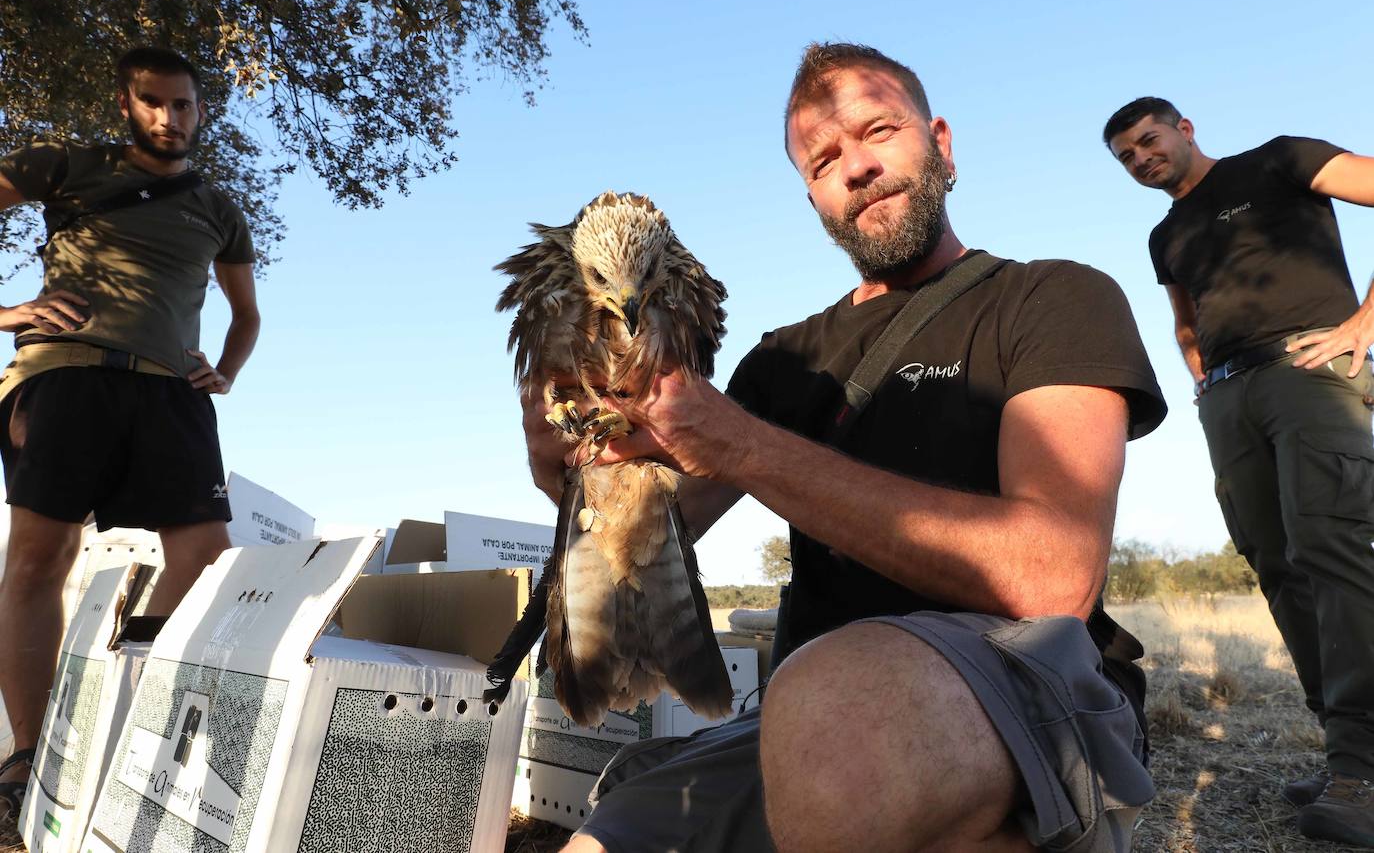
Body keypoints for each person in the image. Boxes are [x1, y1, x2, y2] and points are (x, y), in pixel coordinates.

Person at [521, 42, 1167, 853]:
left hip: (1021, 685)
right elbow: (650, 530)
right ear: (813, 198)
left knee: (836, 720)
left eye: (879, 131)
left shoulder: (1053, 298)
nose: (855, 167)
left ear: (942, 143)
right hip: (803, 717)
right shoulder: (780, 364)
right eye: (824, 160)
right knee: (606, 839)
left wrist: (745, 446)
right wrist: (575, 467)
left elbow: (1053, 578)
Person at [1104, 97, 1374, 847]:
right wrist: (1201, 383)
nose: (1141, 159)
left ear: (1184, 129)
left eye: (1148, 141)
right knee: (1277, 565)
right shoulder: (1166, 234)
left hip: (1307, 367)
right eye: (1126, 157)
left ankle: (1366, 768)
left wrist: (1365, 322)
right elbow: (1186, 320)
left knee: (1332, 550)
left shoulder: (1282, 158)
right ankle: (1344, 752)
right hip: (1229, 394)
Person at [0, 47, 260, 823]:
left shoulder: (218, 206)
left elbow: (246, 315)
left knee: (207, 560)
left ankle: (122, 699)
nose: (168, 118)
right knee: (42, 558)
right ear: (126, 103)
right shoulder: (65, 165)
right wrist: (9, 315)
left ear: (200, 111)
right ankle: (27, 753)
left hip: (172, 394)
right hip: (65, 376)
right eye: (152, 102)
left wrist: (228, 370)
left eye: (182, 105)